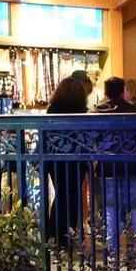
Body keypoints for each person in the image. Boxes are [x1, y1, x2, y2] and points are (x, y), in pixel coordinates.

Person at [95, 77, 136, 251]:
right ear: (123, 92)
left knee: (111, 208)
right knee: (134, 206)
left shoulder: (98, 111)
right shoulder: (134, 110)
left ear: (106, 92)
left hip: (107, 166)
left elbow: (91, 136)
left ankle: (112, 250)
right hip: (130, 165)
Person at [45, 76, 91, 244]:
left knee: (61, 193)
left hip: (55, 157)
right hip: (77, 158)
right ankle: (68, 231)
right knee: (73, 194)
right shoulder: (81, 112)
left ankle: (54, 232)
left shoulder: (52, 110)